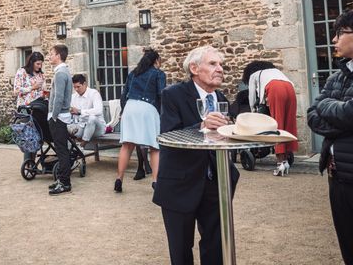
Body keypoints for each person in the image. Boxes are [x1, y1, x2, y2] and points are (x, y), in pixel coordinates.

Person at [153, 46, 237, 265]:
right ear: (194, 68)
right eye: (213, 64)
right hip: (180, 183)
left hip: (215, 183)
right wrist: (201, 125)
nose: (220, 69)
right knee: (180, 251)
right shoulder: (172, 95)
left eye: (221, 64)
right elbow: (168, 136)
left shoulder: (220, 97)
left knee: (216, 247)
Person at [307, 10, 353, 265]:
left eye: (340, 33)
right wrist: (337, 113)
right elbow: (312, 114)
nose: (334, 40)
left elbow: (349, 113)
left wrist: (330, 108)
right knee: (347, 244)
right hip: (337, 176)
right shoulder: (336, 76)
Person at [115, 48, 165, 192]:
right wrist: (163, 113)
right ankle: (156, 181)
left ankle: (119, 178)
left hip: (130, 107)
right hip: (148, 108)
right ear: (156, 61)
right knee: (155, 147)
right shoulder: (158, 74)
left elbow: (124, 95)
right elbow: (161, 94)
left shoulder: (133, 73)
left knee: (127, 146)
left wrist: (124, 111)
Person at [242, 60, 298, 176]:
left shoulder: (254, 75)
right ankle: (286, 160)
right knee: (289, 123)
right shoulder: (276, 71)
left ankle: (280, 163)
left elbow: (252, 95)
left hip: (275, 88)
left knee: (278, 124)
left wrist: (253, 111)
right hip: (290, 88)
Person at [47, 44, 72, 196]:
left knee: (62, 150)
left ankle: (65, 183)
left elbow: (59, 97)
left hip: (59, 117)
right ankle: (62, 179)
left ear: (58, 56)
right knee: (61, 149)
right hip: (61, 116)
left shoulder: (61, 73)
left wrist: (54, 116)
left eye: (51, 53)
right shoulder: (62, 72)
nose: (49, 56)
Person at [68, 74, 105, 145]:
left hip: (98, 128)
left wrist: (80, 112)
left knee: (92, 118)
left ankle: (82, 145)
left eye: (78, 87)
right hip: (82, 126)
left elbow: (98, 110)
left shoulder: (94, 93)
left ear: (84, 84)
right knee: (64, 129)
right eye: (74, 87)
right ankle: (69, 152)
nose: (76, 89)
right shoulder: (73, 97)